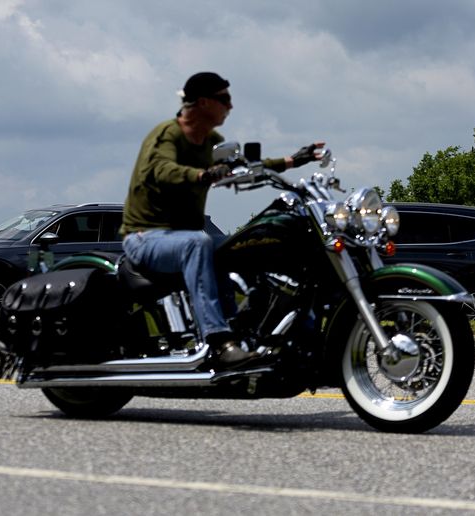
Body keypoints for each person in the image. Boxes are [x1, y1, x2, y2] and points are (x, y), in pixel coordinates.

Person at [121, 71, 324, 368]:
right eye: (224, 99)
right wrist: (202, 175)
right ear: (203, 102)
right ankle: (219, 341)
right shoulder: (168, 134)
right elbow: (162, 169)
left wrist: (294, 160)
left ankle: (247, 326)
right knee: (199, 243)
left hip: (182, 237)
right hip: (146, 237)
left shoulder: (212, 141)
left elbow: (244, 165)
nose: (230, 106)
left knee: (248, 245)